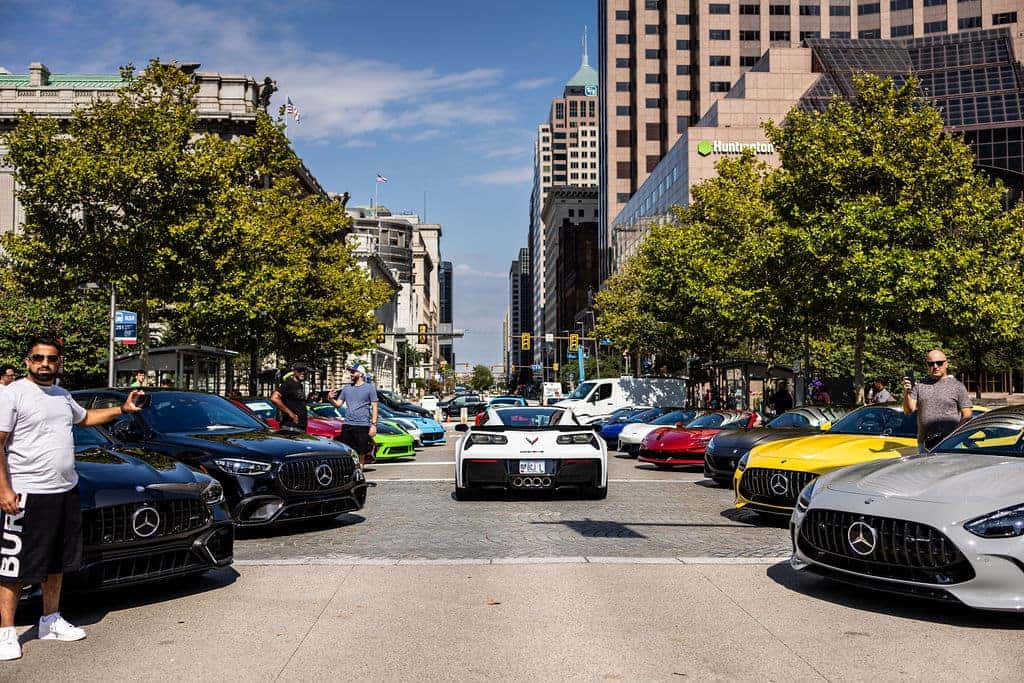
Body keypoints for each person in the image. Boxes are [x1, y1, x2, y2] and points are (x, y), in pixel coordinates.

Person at [0, 336, 146, 660]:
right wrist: (4, 490)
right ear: (27, 361)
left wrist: (122, 408)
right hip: (26, 491)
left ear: (59, 363)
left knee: (57, 561)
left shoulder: (62, 396)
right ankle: (6, 633)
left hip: (64, 491)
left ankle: (49, 620)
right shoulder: (13, 395)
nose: (45, 364)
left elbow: (85, 418)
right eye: (38, 358)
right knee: (14, 564)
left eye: (51, 359)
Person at [903, 349, 972, 450]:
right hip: (925, 445)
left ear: (946, 364)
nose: (935, 366)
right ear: (927, 365)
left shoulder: (957, 386)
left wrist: (953, 436)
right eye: (931, 364)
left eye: (939, 363)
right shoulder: (919, 385)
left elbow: (967, 415)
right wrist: (906, 392)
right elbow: (908, 410)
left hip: (951, 444)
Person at [331, 364, 379, 467]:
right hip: (348, 424)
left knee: (361, 453)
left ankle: (359, 475)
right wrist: (330, 399)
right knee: (347, 452)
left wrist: (374, 425)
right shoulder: (346, 388)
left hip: (362, 425)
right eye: (350, 372)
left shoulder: (369, 388)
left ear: (361, 374)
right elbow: (338, 404)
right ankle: (349, 474)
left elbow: (375, 407)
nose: (351, 374)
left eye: (353, 371)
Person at [271, 363, 308, 431]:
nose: (303, 373)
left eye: (305, 371)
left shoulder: (300, 385)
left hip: (300, 426)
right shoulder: (288, 384)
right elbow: (274, 398)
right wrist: (291, 414)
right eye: (300, 370)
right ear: (294, 371)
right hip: (291, 427)